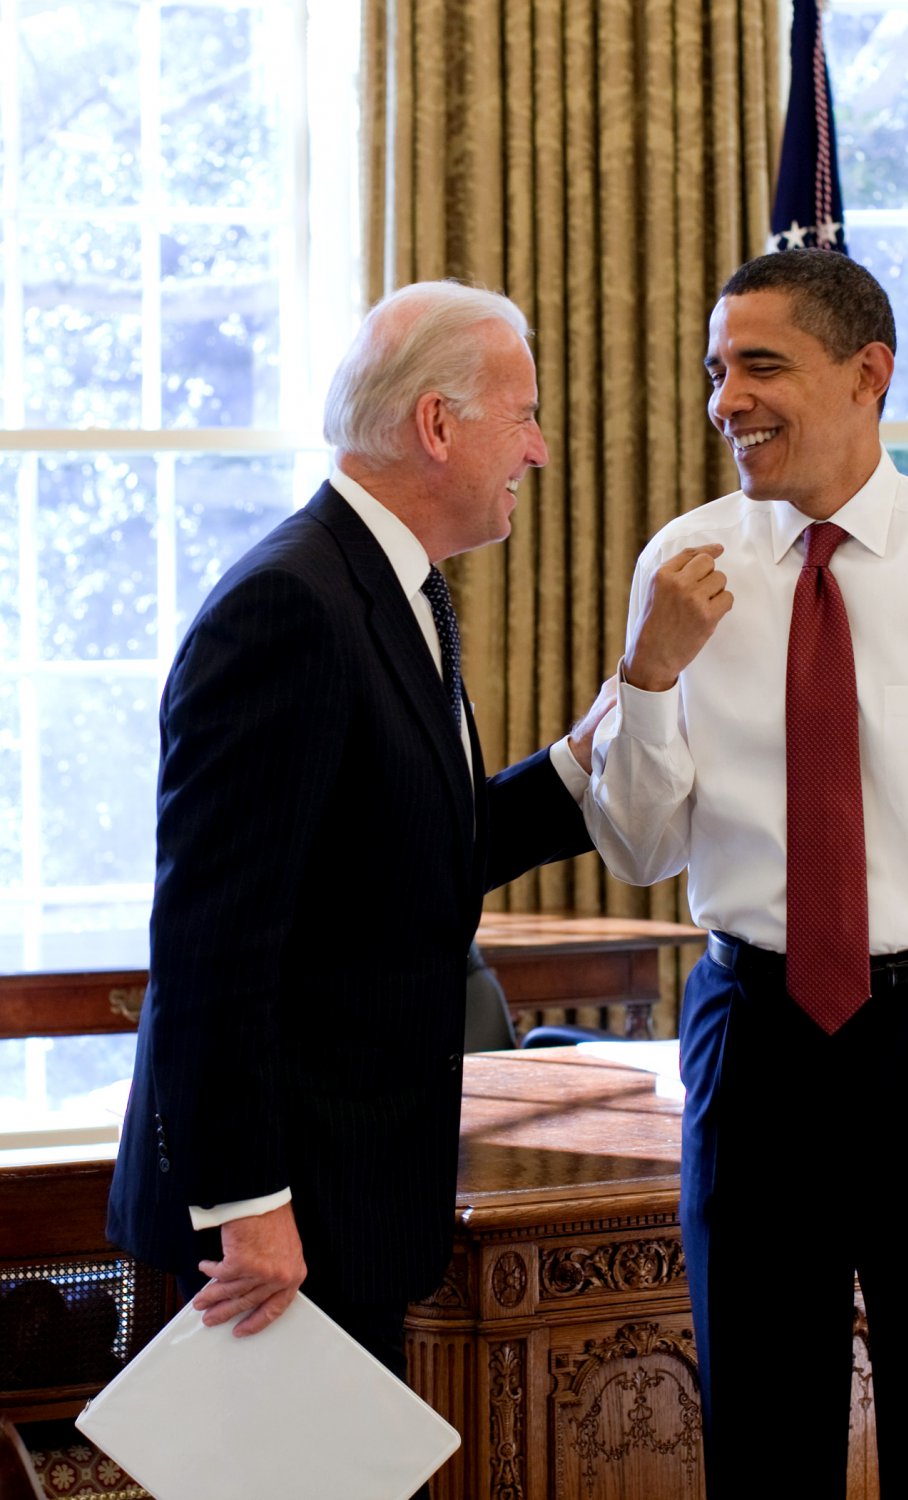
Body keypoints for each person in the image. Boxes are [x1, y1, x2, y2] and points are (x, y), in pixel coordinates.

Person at [561, 250, 908, 1498]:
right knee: (762, 1446)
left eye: (761, 365)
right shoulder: (685, 566)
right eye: (718, 371)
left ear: (867, 374)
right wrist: (649, 677)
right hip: (753, 1038)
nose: (728, 401)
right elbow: (643, 848)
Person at [108, 281, 610, 1385]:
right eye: (521, 415)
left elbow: (419, 857)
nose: (537, 449)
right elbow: (211, 953)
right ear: (438, 425)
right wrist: (249, 1212)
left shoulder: (399, 588)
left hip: (352, 1197)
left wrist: (592, 748)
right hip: (276, 1229)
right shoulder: (291, 607)